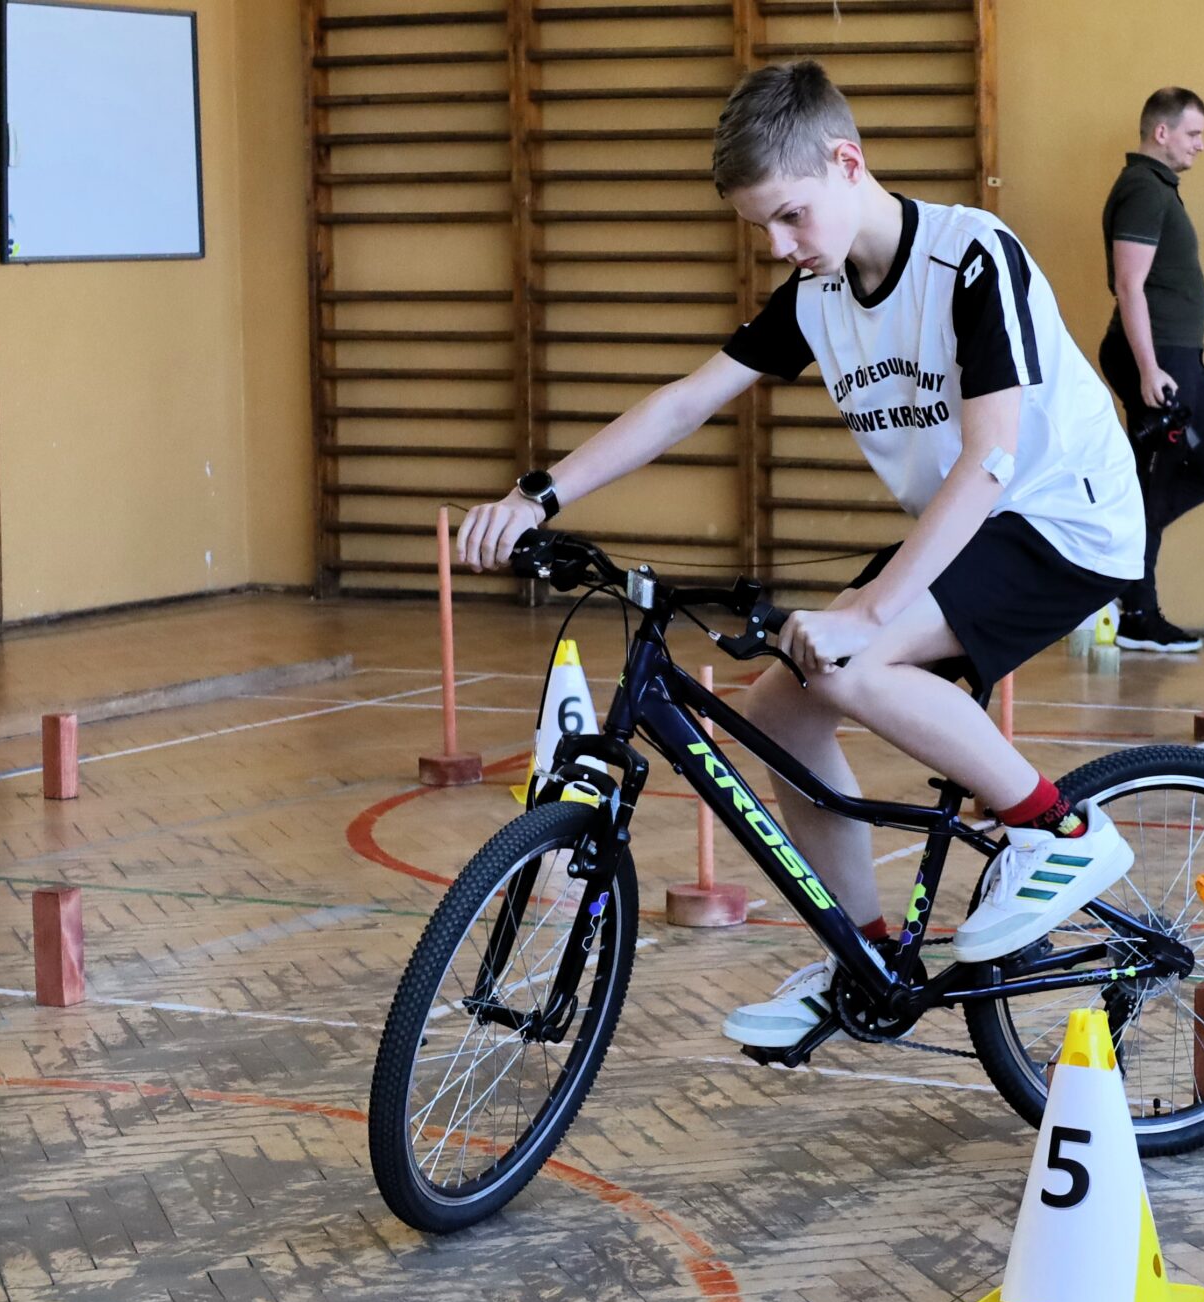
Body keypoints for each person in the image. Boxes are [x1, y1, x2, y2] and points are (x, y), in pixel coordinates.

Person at [457, 60, 1144, 1050]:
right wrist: (540, 493)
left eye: (789, 216)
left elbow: (992, 458)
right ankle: (863, 956)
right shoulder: (818, 294)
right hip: (968, 529)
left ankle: (1059, 831)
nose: (778, 246)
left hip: (1062, 519)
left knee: (850, 658)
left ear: (846, 163)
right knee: (782, 707)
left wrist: (870, 613)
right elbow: (685, 403)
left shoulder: (969, 257)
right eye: (761, 228)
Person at [1096, 86, 1204, 653]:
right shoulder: (1142, 188)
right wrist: (1149, 369)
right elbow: (1128, 283)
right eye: (1193, 134)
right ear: (1162, 132)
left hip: (1179, 357)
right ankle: (1137, 612)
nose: (1201, 145)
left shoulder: (1157, 189)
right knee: (1155, 481)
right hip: (1159, 360)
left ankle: (1116, 553)